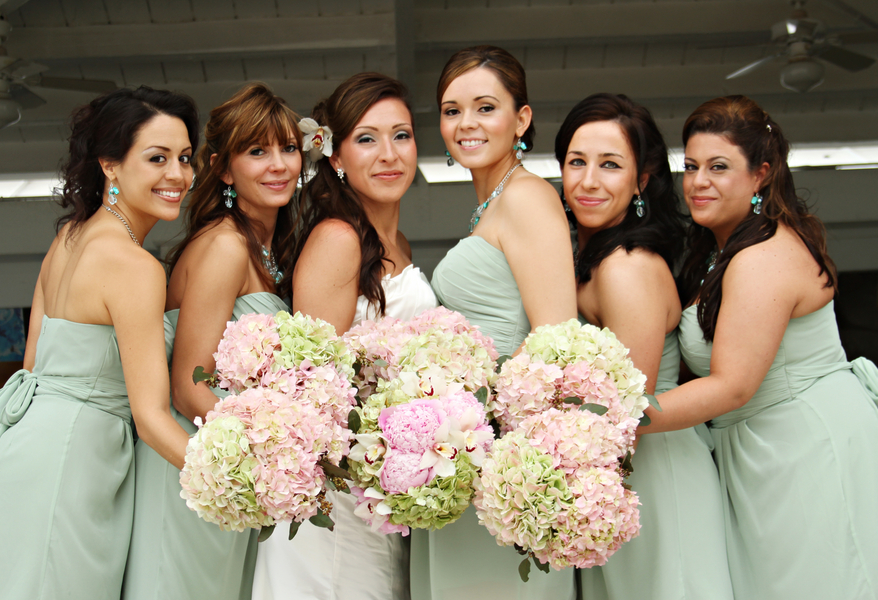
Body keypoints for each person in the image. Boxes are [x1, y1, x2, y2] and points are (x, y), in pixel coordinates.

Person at [642, 95, 878, 599]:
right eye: (690, 166)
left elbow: (732, 385)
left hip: (803, 447)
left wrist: (612, 419)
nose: (698, 181)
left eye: (718, 167)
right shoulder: (720, 250)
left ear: (761, 175)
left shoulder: (763, 255)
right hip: (760, 450)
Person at [0, 87, 198, 599]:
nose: (178, 175)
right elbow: (151, 418)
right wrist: (240, 480)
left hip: (24, 449)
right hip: (71, 466)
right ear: (110, 166)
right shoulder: (134, 266)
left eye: (185, 158)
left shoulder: (70, 238)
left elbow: (32, 364)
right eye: (157, 158)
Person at [251, 72, 436, 600]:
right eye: (366, 138)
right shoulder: (337, 238)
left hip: (380, 488)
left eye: (401, 135)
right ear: (335, 158)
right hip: (339, 496)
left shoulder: (393, 238)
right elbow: (311, 387)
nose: (389, 154)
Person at [122, 83, 302, 600]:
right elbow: (186, 385)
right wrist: (262, 460)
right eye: (257, 151)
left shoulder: (263, 249)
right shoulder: (224, 245)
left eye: (288, 148)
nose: (278, 165)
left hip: (222, 469)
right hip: (195, 467)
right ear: (224, 168)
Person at [410, 45, 577, 600]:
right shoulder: (491, 205)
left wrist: (525, 471)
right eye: (452, 110)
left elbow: (557, 343)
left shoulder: (528, 199)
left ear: (521, 119)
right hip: (468, 447)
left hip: (507, 456)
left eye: (485, 107)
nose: (466, 124)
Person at [555, 93, 733, 600]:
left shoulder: (627, 267)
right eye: (576, 162)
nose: (588, 181)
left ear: (642, 180)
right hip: (619, 478)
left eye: (610, 165)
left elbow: (630, 408)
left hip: (655, 472)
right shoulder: (594, 257)